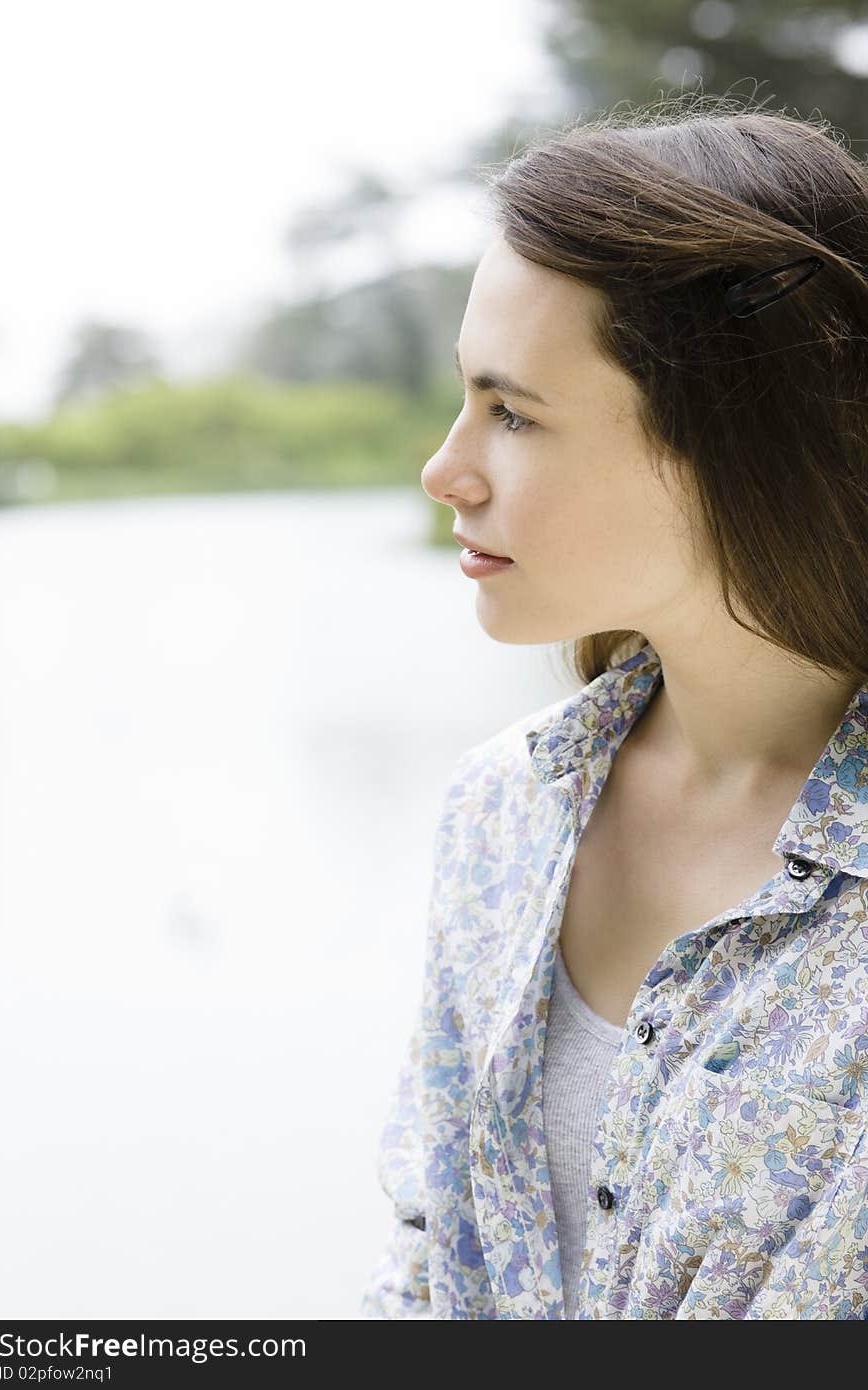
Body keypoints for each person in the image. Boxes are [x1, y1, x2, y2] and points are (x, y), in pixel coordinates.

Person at [359, 96, 868, 1319]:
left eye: (513, 412)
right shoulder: (506, 806)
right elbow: (427, 1264)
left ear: (731, 441)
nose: (445, 469)